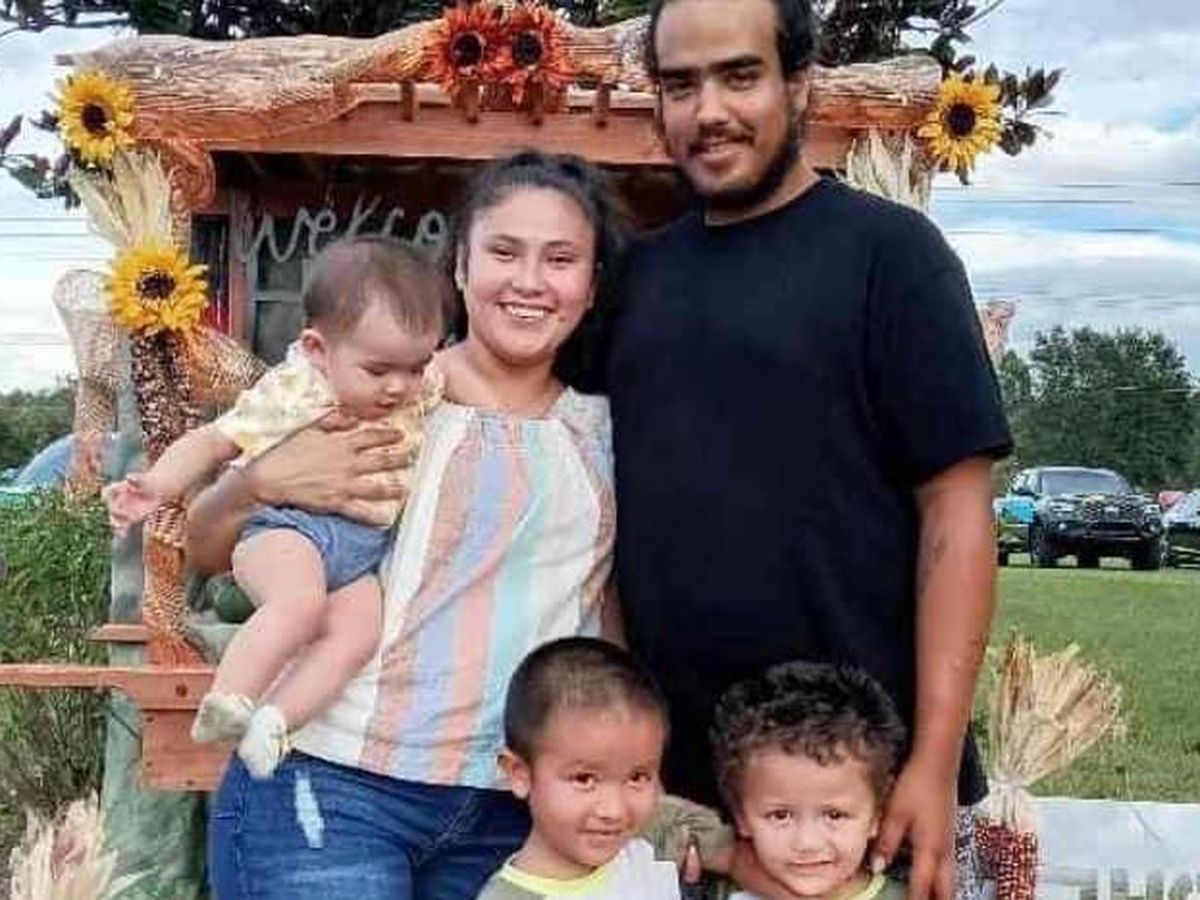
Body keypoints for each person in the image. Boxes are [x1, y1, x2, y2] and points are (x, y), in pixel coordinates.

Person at [604, 1, 1013, 898]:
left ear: (799, 84)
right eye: (680, 84)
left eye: (739, 75)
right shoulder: (634, 280)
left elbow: (957, 514)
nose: (709, 109)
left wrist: (933, 762)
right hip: (690, 815)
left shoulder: (892, 257)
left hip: (866, 812)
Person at [186, 151, 623, 899]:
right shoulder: (373, 397)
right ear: (461, 265)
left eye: (560, 259)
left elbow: (605, 607)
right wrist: (255, 483)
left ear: (592, 284)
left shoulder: (605, 431)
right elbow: (208, 545)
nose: (529, 280)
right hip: (333, 779)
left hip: (517, 805)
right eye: (503, 251)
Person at [104, 236, 445, 778]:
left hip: (360, 549)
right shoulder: (294, 392)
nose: (399, 387)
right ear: (316, 349)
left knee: (359, 635)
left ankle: (277, 721)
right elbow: (212, 441)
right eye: (378, 371)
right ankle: (229, 698)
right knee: (298, 603)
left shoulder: (419, 385)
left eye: (415, 367)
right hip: (286, 529)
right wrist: (156, 485)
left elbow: (457, 373)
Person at [476, 637, 680, 900]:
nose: (614, 811)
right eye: (584, 779)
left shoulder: (648, 854)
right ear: (520, 773)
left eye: (637, 777)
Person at [711, 661, 909, 900]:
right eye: (780, 815)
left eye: (834, 815)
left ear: (878, 812)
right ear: (740, 815)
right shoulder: (714, 891)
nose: (807, 843)